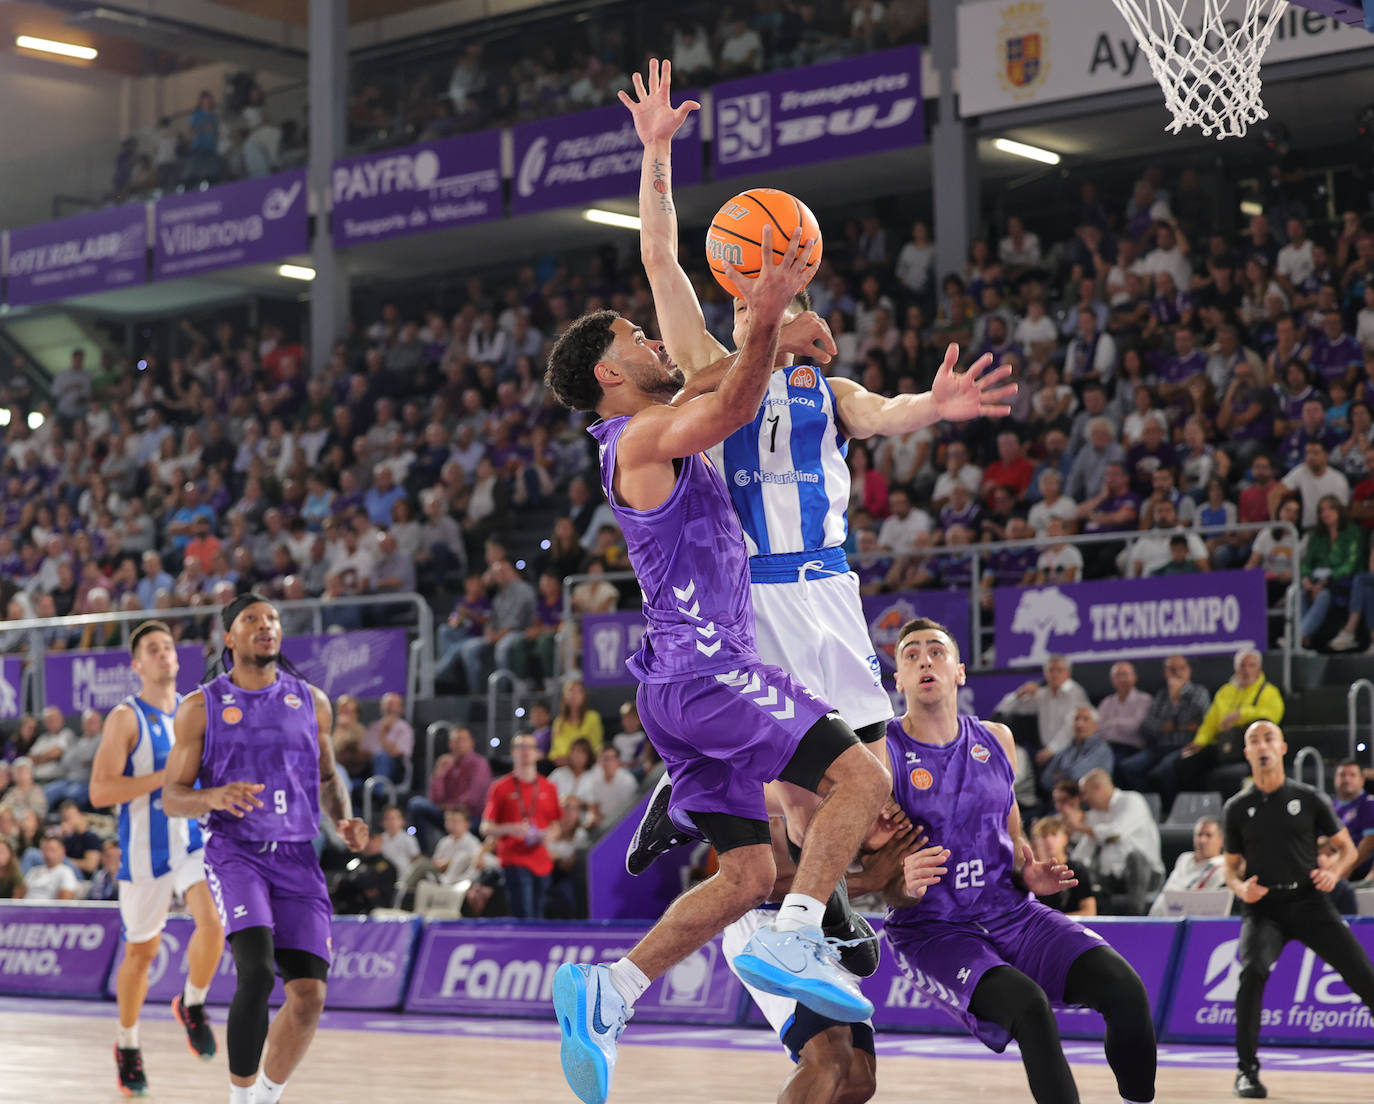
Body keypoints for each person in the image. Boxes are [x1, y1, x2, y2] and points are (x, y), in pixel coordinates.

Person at [619, 61, 1013, 912]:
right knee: (802, 790)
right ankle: (810, 916)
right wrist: (657, 152)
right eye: (748, 292)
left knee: (864, 778)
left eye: (771, 287)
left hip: (829, 587)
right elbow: (659, 255)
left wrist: (936, 406)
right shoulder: (705, 370)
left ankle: (719, 822)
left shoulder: (826, 391)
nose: (756, 303)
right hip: (750, 597)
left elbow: (882, 412)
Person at [543, 209, 889, 1104]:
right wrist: (769, 313)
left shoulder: (661, 407)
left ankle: (608, 992)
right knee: (863, 783)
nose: (655, 337)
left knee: (746, 874)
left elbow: (668, 268)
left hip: (672, 689)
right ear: (611, 373)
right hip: (711, 674)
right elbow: (737, 398)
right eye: (636, 338)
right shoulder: (643, 437)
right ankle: (801, 931)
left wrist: (656, 157)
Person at [882, 618, 1157, 1104]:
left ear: (960, 671)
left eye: (936, 651)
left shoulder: (997, 739)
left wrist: (1028, 872)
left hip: (1011, 911)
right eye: (911, 655)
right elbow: (879, 881)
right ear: (898, 680)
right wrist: (902, 883)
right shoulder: (882, 753)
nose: (925, 660)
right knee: (1030, 1008)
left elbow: (1013, 841)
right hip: (934, 928)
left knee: (1126, 991)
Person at [163, 595, 368, 1104]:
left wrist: (342, 815)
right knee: (254, 972)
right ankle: (238, 1098)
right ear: (229, 637)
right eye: (251, 619)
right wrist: (213, 796)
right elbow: (172, 796)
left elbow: (326, 776)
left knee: (309, 997)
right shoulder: (200, 707)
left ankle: (265, 1097)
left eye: (272, 618)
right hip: (237, 852)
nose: (265, 626)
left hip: (298, 856)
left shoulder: (312, 701)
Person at [89, 620, 224, 1096]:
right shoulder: (126, 718)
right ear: (137, 664)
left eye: (169, 646)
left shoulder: (194, 711)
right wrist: (164, 778)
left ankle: (193, 1002)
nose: (165, 654)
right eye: (153, 648)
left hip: (191, 841)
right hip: (145, 851)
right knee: (141, 953)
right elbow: (100, 791)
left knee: (214, 921)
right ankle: (127, 1045)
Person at [1221, 721, 1374, 1098]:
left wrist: (1335, 873)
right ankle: (1246, 1071)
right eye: (1253, 740)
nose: (1262, 745)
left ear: (1282, 747)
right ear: (1247, 753)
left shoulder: (1308, 798)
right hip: (1263, 908)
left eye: (1268, 738)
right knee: (1252, 972)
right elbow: (1229, 867)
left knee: (1362, 974)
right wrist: (1242, 888)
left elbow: (1348, 849)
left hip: (1309, 900)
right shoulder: (1237, 808)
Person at [480, 732, 561, 919]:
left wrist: (549, 835)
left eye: (530, 747)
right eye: (520, 747)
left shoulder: (549, 787)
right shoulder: (500, 787)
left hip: (541, 859)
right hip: (514, 858)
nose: (525, 752)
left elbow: (556, 824)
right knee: (525, 913)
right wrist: (509, 828)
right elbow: (485, 827)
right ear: (513, 752)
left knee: (538, 914)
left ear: (537, 753)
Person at [1066, 769, 1164, 915]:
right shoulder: (1095, 815)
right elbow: (1082, 851)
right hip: (1112, 877)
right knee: (1087, 869)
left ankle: (1136, 921)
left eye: (1085, 793)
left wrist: (1080, 827)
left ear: (1098, 788)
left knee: (1135, 858)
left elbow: (1115, 834)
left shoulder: (1131, 800)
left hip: (1146, 875)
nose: (1084, 799)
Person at [994, 655, 1091, 766]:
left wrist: (1051, 750)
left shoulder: (1074, 692)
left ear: (1068, 673)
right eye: (1051, 670)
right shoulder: (1042, 694)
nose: (1054, 674)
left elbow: (1070, 726)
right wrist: (1019, 694)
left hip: (1069, 749)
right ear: (1045, 674)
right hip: (1044, 750)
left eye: (1059, 670)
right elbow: (1004, 710)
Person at [1148, 816, 1227, 916]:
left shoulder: (1224, 867)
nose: (1202, 840)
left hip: (1188, 920)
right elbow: (1168, 891)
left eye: (1208, 835)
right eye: (1199, 835)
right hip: (1158, 917)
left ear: (1221, 840)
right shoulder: (1184, 858)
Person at [1029, 816, 1097, 916]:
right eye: (1044, 836)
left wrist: (1055, 921)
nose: (1049, 841)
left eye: (1054, 834)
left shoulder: (1078, 870)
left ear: (1065, 838)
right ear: (1036, 842)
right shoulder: (1032, 873)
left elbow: (1090, 912)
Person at [1332, 758, 1374, 881]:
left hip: (1358, 872)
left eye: (1352, 775)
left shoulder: (1368, 804)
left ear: (1362, 780)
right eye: (1342, 775)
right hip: (1332, 869)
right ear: (1335, 779)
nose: (1347, 779)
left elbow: (1369, 841)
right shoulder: (1330, 807)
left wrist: (1345, 867)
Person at [22, 832, 79, 900]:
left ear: (62, 852)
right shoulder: (34, 870)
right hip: (25, 908)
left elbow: (64, 903)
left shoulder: (66, 872)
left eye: (52, 850)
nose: (48, 853)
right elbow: (19, 895)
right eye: (45, 849)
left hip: (47, 909)